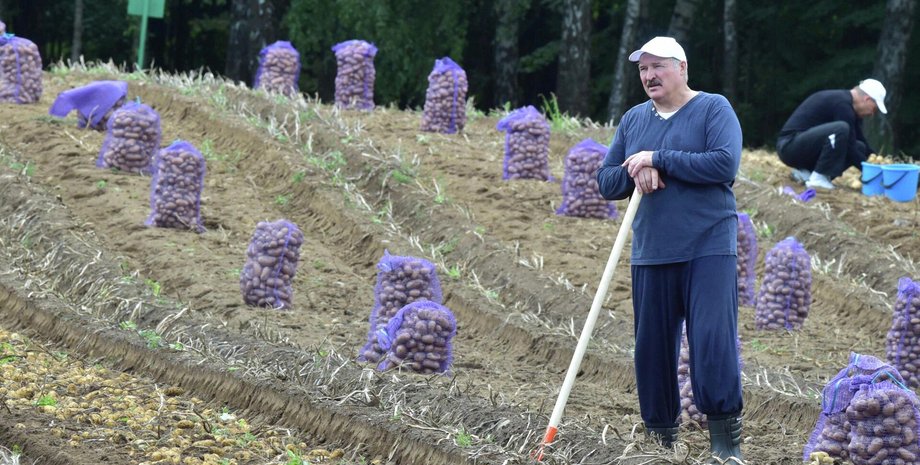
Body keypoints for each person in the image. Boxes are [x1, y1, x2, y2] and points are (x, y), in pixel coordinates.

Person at [596, 36, 744, 464]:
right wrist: (636, 167)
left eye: (657, 66)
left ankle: (726, 444)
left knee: (711, 339)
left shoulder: (713, 108)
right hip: (652, 250)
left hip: (708, 245)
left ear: (682, 67)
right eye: (643, 69)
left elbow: (723, 163)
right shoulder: (633, 119)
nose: (648, 75)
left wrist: (659, 157)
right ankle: (660, 442)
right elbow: (607, 182)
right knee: (652, 348)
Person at [776, 79, 887, 190]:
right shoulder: (842, 105)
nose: (872, 114)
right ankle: (818, 178)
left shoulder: (848, 106)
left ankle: (806, 174)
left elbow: (859, 140)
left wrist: (878, 161)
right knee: (840, 129)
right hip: (789, 146)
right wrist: (869, 170)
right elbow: (849, 146)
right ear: (867, 99)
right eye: (874, 109)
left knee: (860, 147)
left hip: (802, 148)